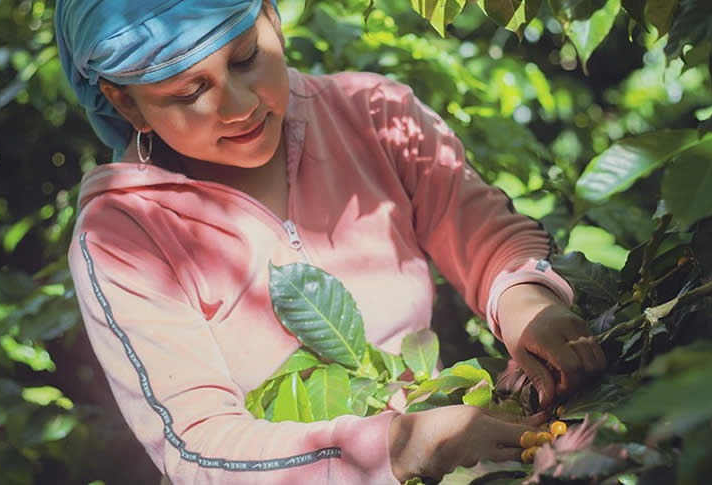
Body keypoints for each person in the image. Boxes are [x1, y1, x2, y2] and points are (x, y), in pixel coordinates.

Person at [55, 0, 605, 483]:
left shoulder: (374, 116)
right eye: (190, 91)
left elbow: (484, 234)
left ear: (270, 14)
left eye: (246, 58)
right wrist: (402, 447)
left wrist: (529, 306)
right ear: (126, 104)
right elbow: (198, 449)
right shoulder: (124, 236)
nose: (239, 104)